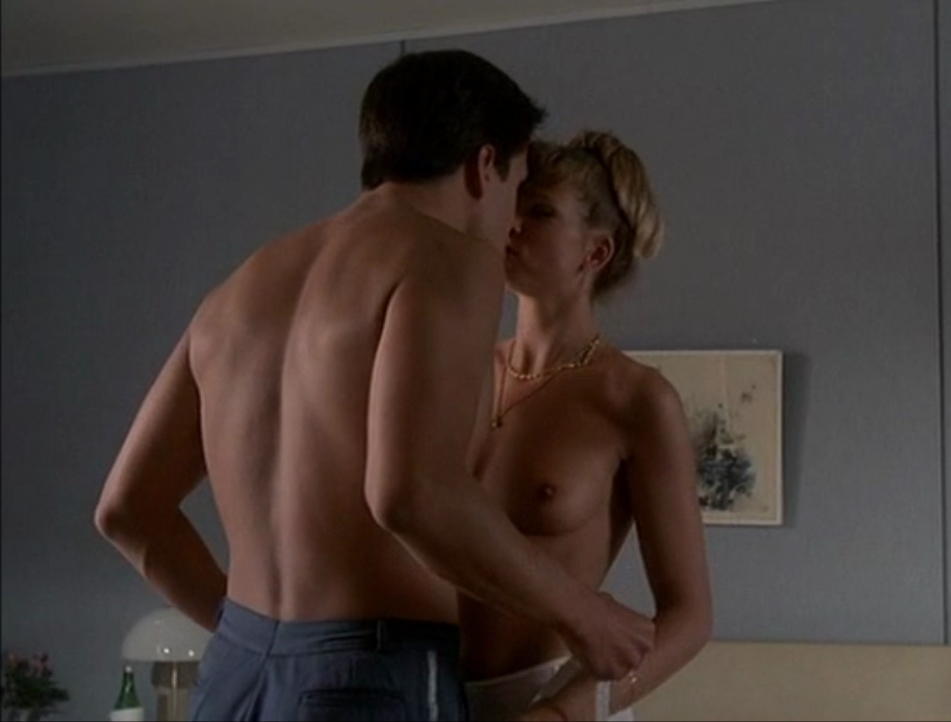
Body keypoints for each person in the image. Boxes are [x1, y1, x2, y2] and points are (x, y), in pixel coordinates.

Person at [92, 50, 654, 722]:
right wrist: (583, 613)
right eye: (517, 185)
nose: (511, 223)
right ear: (484, 166)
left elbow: (127, 511)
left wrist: (260, 645)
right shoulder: (448, 258)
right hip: (370, 675)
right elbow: (412, 493)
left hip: (235, 674)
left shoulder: (243, 285)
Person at [459, 131, 713, 722]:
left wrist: (560, 713)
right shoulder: (463, 371)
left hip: (551, 699)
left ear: (595, 253)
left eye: (540, 211)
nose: (512, 224)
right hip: (433, 693)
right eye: (513, 205)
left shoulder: (635, 398)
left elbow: (690, 616)